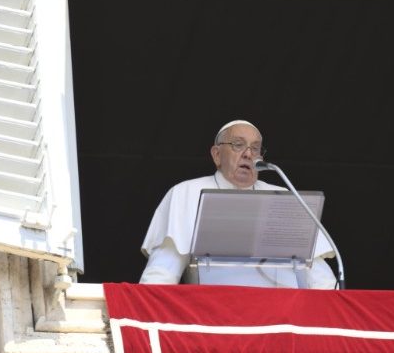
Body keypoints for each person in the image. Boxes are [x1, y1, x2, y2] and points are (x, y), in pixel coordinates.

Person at [139, 120, 336, 289]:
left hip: (283, 319)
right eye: (238, 145)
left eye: (256, 148)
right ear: (217, 155)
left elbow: (320, 280)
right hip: (214, 316)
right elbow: (162, 273)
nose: (248, 154)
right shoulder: (186, 193)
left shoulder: (286, 197)